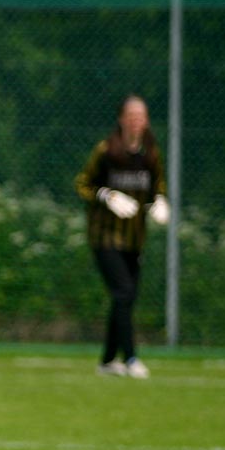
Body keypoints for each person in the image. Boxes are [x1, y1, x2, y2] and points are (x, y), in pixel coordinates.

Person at [75, 94, 169, 379]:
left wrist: (160, 202)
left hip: (134, 238)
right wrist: (107, 195)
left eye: (141, 116)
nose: (136, 122)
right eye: (131, 116)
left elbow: (157, 186)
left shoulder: (150, 153)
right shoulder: (106, 151)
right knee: (124, 292)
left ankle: (106, 361)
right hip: (105, 236)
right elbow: (83, 184)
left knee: (125, 297)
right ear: (121, 119)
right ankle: (129, 358)